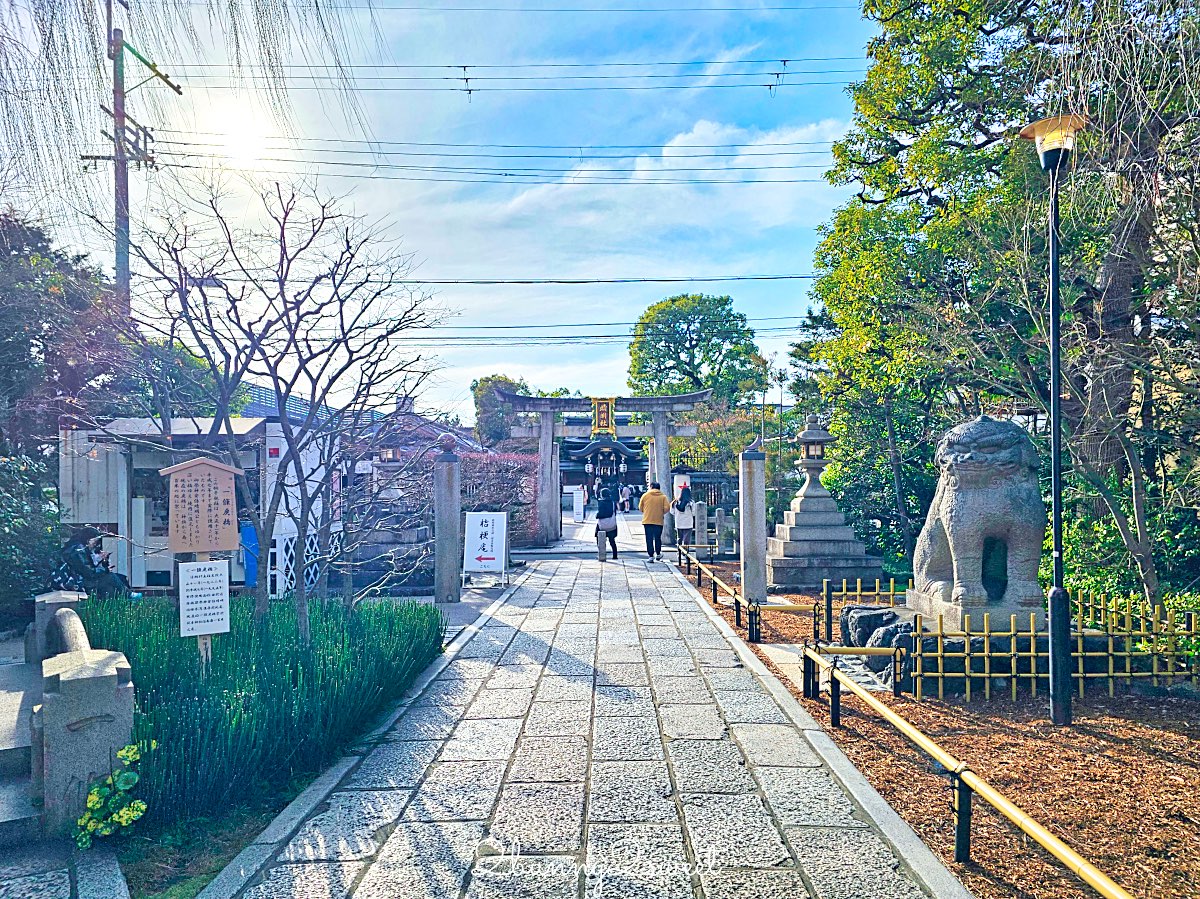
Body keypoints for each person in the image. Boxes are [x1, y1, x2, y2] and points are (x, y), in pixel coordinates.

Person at [51, 528, 129, 598]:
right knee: (111, 577)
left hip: (79, 579)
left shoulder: (80, 548)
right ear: (89, 539)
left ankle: (118, 601)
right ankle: (128, 595)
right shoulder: (78, 550)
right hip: (74, 582)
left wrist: (103, 561)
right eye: (95, 541)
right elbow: (88, 572)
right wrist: (105, 570)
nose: (96, 544)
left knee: (119, 579)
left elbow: (89, 567)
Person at [638, 481, 671, 562]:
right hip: (658, 520)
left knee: (648, 538)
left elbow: (640, 507)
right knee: (657, 538)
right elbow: (667, 508)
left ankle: (651, 556)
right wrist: (660, 512)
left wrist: (646, 511)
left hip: (647, 520)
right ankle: (658, 554)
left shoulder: (645, 495)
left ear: (651, 486)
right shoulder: (663, 497)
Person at [595, 487, 620, 562]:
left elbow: (601, 514)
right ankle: (615, 555)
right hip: (612, 525)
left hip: (602, 525)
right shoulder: (613, 502)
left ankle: (602, 553)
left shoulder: (601, 502)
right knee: (612, 540)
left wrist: (597, 515)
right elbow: (614, 513)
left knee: (598, 538)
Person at [672, 485, 695, 550]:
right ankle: (685, 551)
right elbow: (694, 513)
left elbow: (672, 512)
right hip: (688, 523)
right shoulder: (691, 502)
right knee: (686, 539)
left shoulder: (676, 502)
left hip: (679, 522)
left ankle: (679, 550)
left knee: (679, 538)